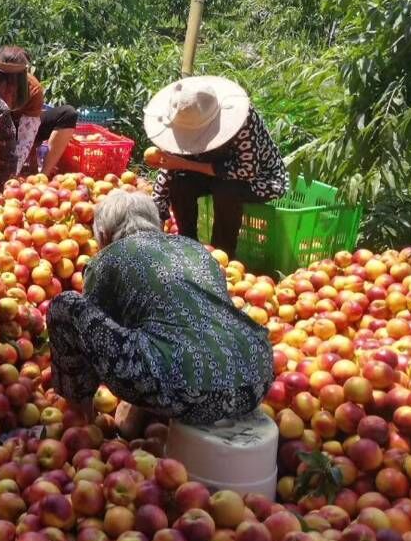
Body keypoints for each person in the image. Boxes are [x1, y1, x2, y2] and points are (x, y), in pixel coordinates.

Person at [47, 189, 273, 437]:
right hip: (255, 379)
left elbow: (95, 342)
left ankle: (81, 421)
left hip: (180, 390)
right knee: (167, 330)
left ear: (103, 234)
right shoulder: (195, 249)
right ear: (157, 224)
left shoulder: (107, 259)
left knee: (65, 307)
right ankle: (137, 418)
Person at [144, 76, 288, 258]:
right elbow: (171, 169)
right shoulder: (185, 118)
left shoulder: (242, 120)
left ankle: (223, 255)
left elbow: (247, 169)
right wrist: (156, 212)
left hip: (256, 177)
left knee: (227, 189)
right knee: (180, 182)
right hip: (207, 172)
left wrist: (185, 164)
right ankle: (188, 248)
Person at [0, 46, 79, 178]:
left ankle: (43, 176)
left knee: (68, 114)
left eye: (13, 85)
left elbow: (25, 140)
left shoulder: (33, 89)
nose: (8, 91)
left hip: (23, 128)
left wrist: (10, 176)